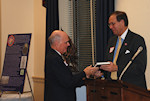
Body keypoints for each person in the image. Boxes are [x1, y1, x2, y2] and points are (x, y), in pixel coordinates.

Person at [44, 30, 100, 101]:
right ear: (56, 43)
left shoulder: (55, 56)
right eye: (66, 42)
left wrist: (88, 77)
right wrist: (84, 72)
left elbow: (68, 81)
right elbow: (68, 82)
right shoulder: (53, 58)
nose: (68, 44)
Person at [100, 11, 147, 89]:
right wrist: (101, 73)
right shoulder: (112, 41)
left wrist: (117, 68)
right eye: (109, 24)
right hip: (113, 88)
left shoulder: (136, 40)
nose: (110, 27)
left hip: (132, 89)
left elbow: (139, 68)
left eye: (113, 24)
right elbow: (109, 63)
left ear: (122, 22)